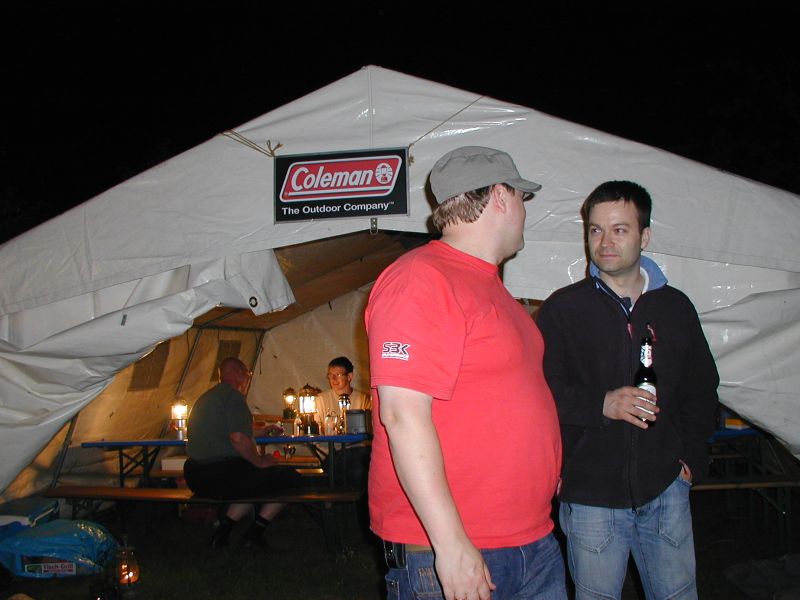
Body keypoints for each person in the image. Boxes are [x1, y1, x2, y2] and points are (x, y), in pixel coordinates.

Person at [365, 146, 565, 600]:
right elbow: (401, 415)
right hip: (459, 547)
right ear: (500, 196)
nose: (524, 211)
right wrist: (451, 545)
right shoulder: (422, 278)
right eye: (521, 198)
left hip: (530, 537)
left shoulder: (492, 287)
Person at [536, 181, 719, 599]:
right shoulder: (563, 309)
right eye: (596, 230)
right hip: (591, 499)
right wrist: (600, 403)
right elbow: (540, 392)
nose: (605, 242)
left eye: (619, 229)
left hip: (666, 490)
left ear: (644, 236)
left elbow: (701, 387)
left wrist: (691, 462)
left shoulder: (675, 307)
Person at [185, 357, 301, 548]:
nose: (248, 380)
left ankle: (222, 534)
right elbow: (238, 437)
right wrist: (259, 461)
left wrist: (262, 432)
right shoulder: (233, 397)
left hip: (195, 476)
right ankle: (254, 533)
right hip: (220, 475)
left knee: (252, 480)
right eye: (248, 375)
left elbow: (227, 430)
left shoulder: (206, 398)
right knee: (289, 479)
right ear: (239, 374)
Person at [315, 356, 372, 429]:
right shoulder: (320, 400)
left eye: (338, 375)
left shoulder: (364, 400)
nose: (333, 379)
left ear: (349, 376)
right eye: (330, 375)